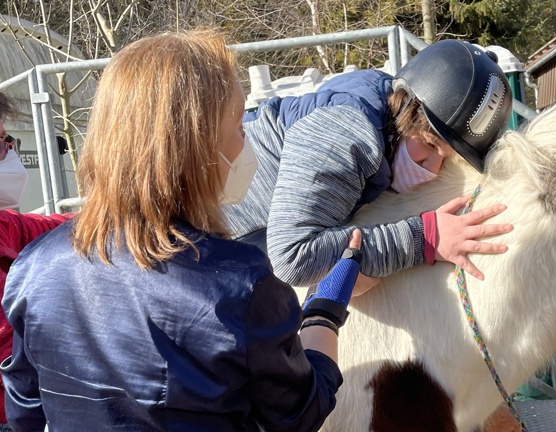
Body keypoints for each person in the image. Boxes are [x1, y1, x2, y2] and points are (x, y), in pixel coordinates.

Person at [1, 29, 366, 432]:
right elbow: (299, 411)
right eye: (239, 124)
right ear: (198, 146)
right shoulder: (240, 286)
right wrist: (325, 311)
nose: (248, 139)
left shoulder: (33, 267)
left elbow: (25, 410)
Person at [223, 39, 516, 289]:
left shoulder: (379, 105)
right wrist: (425, 238)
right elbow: (293, 258)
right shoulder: (351, 131)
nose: (432, 169)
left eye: (446, 159)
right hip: (217, 234)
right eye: (429, 145)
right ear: (405, 107)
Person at [0, 92, 73, 431]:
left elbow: (46, 228)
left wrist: (113, 213)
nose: (8, 156)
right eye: (3, 145)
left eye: (7, 142)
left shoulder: (4, 225)